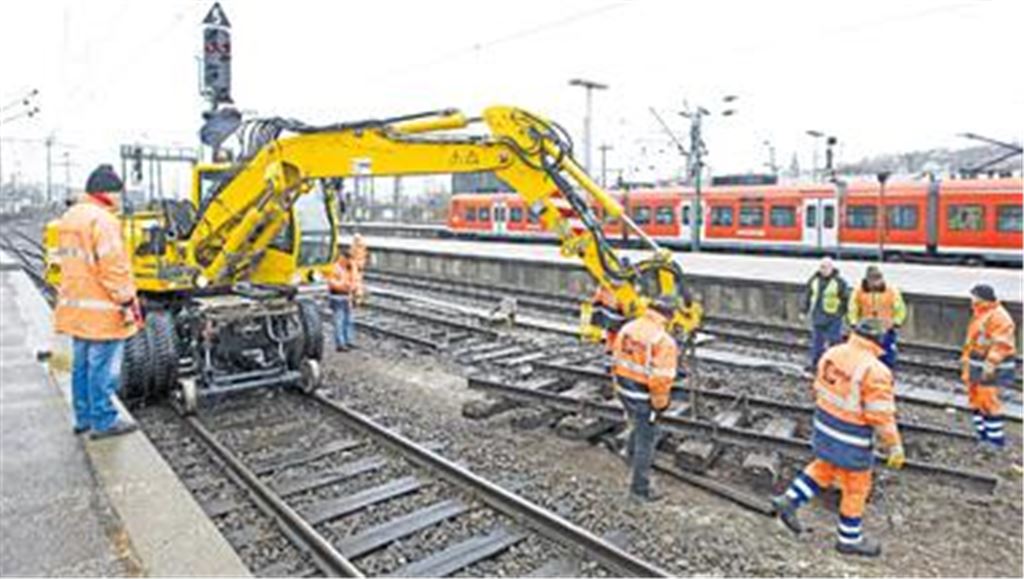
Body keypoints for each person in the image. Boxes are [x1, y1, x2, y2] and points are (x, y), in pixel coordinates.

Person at [772, 318, 904, 557]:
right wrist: (894, 446)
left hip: (824, 425)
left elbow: (818, 387)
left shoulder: (833, 352)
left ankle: (789, 500)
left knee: (823, 467)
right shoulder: (876, 370)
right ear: (879, 340)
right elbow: (880, 415)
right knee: (857, 487)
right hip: (851, 435)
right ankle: (849, 539)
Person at [53, 164, 142, 439]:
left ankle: (83, 418)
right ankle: (103, 421)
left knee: (81, 366)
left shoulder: (71, 217)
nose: (118, 200)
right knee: (103, 369)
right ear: (107, 193)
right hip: (102, 310)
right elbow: (113, 267)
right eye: (117, 193)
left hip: (76, 308)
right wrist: (127, 300)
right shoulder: (103, 221)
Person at [611, 296, 679, 502]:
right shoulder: (663, 341)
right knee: (647, 438)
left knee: (637, 424)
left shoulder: (628, 328)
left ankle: (629, 453)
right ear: (669, 316)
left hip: (624, 391)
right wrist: (660, 405)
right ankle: (639, 490)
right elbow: (660, 381)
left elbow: (615, 359)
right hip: (643, 396)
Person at [962, 284, 1016, 448]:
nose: (971, 299)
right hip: (978, 364)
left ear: (981, 297)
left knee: (988, 401)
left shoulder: (998, 316)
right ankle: (983, 436)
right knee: (977, 400)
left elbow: (1002, 344)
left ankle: (995, 440)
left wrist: (991, 363)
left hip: (990, 368)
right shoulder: (982, 313)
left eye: (974, 296)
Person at [847, 265, 906, 369]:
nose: (876, 283)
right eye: (873, 280)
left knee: (887, 357)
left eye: (878, 280)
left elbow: (900, 308)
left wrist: (897, 322)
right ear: (867, 280)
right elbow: (853, 307)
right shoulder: (858, 291)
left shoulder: (891, 291)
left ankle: (886, 375)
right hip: (866, 331)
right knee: (866, 358)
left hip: (886, 329)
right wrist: (853, 322)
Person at [803, 257, 850, 370]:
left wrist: (841, 313)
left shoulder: (839, 282)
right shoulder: (814, 280)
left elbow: (845, 298)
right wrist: (804, 310)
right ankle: (816, 364)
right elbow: (808, 295)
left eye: (826, 267)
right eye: (821, 267)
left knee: (834, 342)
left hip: (833, 316)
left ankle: (836, 366)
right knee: (817, 342)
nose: (823, 270)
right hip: (817, 315)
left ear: (831, 268)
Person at [326, 253, 356, 351]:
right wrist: (344, 285)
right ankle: (340, 344)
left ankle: (348, 340)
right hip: (337, 297)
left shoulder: (347, 269)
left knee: (348, 320)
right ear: (342, 258)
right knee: (339, 320)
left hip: (346, 297)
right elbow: (331, 283)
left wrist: (351, 288)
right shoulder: (334, 269)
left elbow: (353, 282)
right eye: (347, 260)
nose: (348, 262)